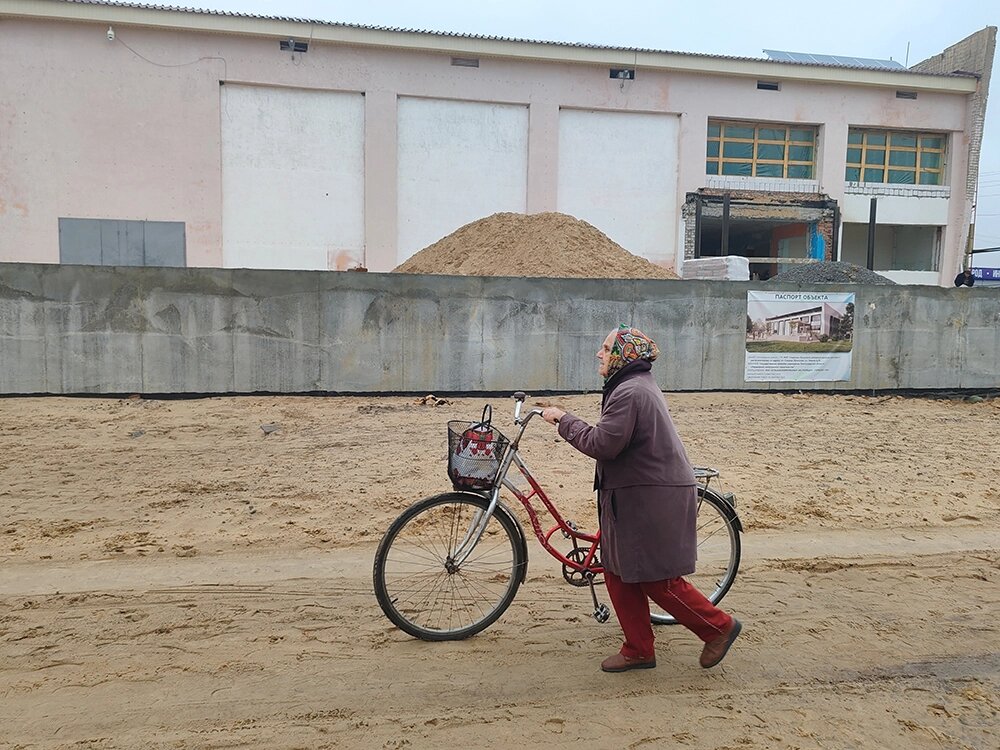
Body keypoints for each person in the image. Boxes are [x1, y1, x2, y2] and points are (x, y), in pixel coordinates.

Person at [540, 325, 741, 672]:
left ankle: (718, 627)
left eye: (605, 348)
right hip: (634, 494)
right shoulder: (630, 386)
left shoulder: (630, 391)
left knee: (656, 579)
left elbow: (603, 444)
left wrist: (564, 420)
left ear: (622, 355)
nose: (598, 354)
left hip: (650, 496)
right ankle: (638, 648)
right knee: (618, 571)